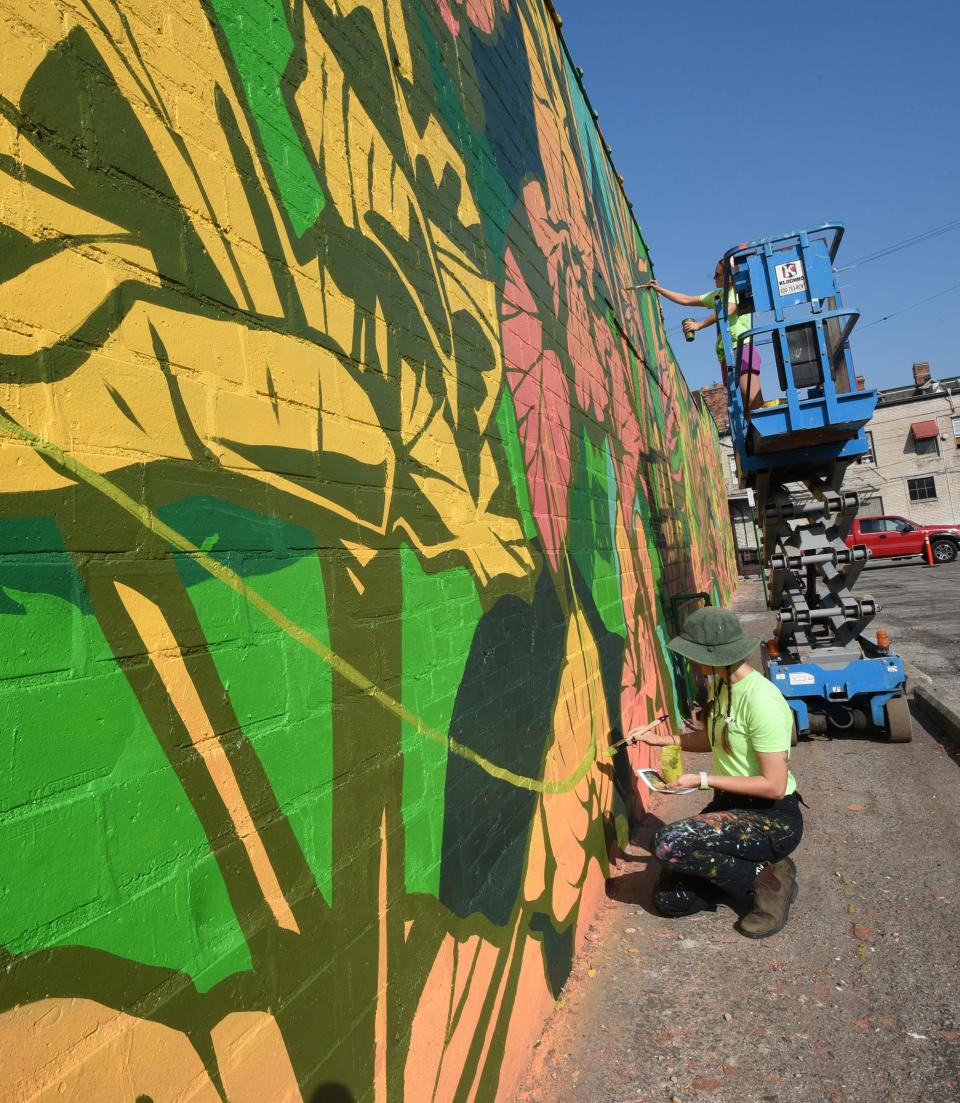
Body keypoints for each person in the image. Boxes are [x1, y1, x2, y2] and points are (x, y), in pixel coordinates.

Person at [631, 606, 803, 938]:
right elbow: (714, 740)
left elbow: (774, 785)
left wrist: (701, 780)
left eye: (694, 654)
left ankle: (770, 880)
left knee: (667, 843)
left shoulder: (762, 700)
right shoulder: (723, 686)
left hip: (770, 817)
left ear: (713, 654)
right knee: (671, 900)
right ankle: (754, 867)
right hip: (730, 807)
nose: (691, 661)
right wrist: (660, 738)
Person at [652, 259, 764, 412]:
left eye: (717, 275)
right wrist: (660, 290)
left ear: (728, 277)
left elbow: (727, 310)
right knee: (742, 408)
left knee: (753, 401)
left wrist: (699, 325)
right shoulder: (717, 295)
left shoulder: (737, 291)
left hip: (741, 348)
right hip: (727, 355)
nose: (713, 278)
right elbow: (686, 299)